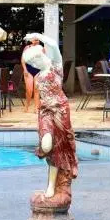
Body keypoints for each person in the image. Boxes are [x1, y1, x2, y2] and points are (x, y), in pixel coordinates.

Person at [23, 32, 78, 201]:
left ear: (42, 55)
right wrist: (36, 110)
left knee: (58, 148)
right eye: (32, 63)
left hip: (60, 110)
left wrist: (37, 35)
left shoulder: (56, 66)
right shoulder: (38, 76)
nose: (34, 64)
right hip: (46, 111)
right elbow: (39, 96)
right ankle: (51, 181)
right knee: (47, 146)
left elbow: (53, 45)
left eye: (35, 60)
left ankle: (51, 186)